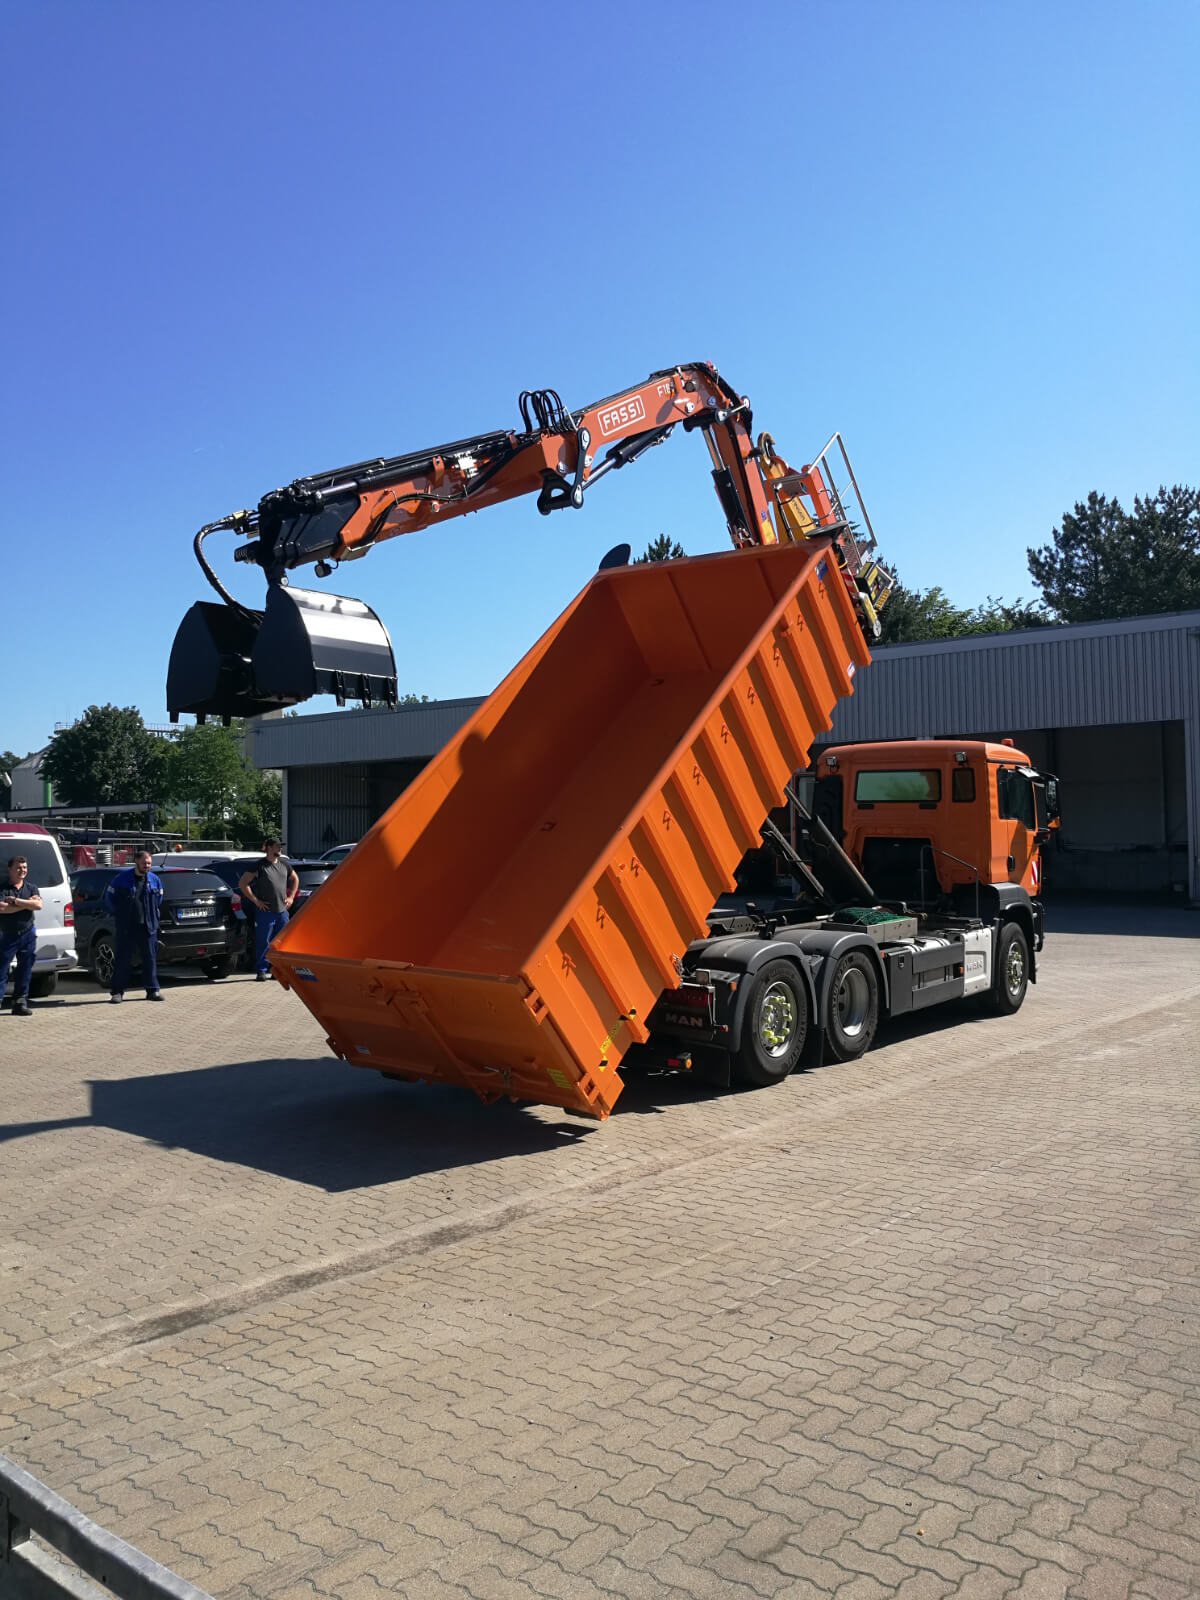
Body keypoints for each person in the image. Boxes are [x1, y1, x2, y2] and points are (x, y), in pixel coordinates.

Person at [103, 847, 164, 1003]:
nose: (147, 866)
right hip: (126, 927)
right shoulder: (121, 879)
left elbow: (159, 899)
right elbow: (109, 898)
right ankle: (117, 992)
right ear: (136, 861)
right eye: (144, 863)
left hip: (148, 926)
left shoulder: (155, 880)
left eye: (149, 863)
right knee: (123, 959)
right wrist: (119, 914)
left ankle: (153, 991)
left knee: (150, 959)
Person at [239, 837, 298, 981]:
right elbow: (243, 883)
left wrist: (291, 897)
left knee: (281, 943)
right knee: (263, 942)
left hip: (282, 912)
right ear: (269, 848)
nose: (280, 848)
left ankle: (277, 970)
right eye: (277, 846)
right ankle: (261, 970)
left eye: (280, 846)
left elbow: (295, 879)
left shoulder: (284, 864)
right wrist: (256, 901)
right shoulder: (259, 866)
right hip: (265, 912)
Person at [0, 854, 42, 1017]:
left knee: (25, 970)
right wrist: (27, 904)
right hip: (7, 935)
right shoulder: (3, 888)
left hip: (27, 934)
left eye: (24, 867)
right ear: (10, 869)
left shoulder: (31, 888)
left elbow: (38, 905)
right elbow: (2, 908)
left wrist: (16, 902)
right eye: (18, 867)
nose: (22, 870)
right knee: (1, 970)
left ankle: (20, 1003)